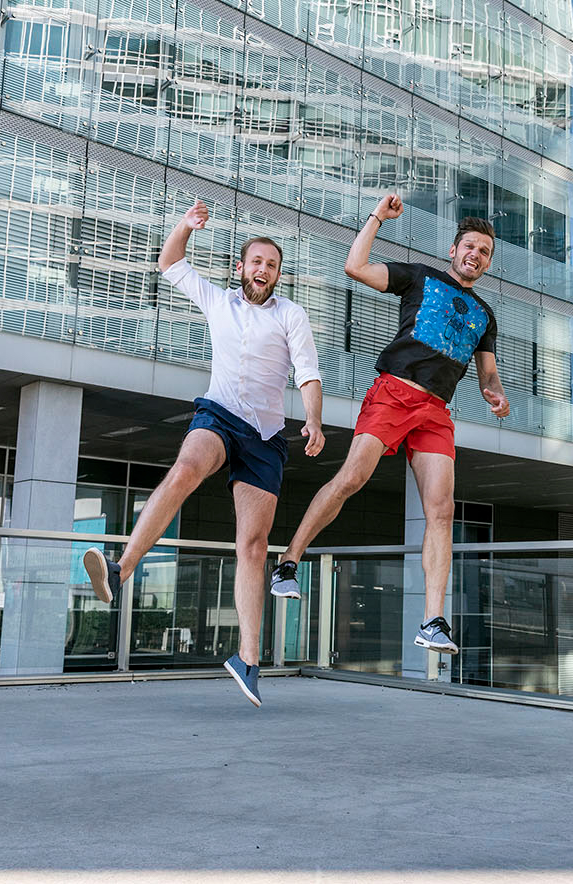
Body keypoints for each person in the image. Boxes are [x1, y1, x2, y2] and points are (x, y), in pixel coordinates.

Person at [81, 199, 324, 707]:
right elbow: (169, 262)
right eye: (256, 261)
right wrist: (185, 226)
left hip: (265, 436)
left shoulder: (291, 315)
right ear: (241, 268)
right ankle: (121, 569)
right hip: (218, 413)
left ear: (278, 275)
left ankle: (249, 661)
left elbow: (307, 372)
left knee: (253, 547)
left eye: (272, 264)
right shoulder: (219, 301)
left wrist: (314, 419)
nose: (263, 270)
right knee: (187, 468)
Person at [269, 196, 509, 658]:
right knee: (351, 479)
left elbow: (488, 373)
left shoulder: (485, 316)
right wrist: (378, 217)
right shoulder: (420, 276)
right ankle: (287, 563)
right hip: (394, 394)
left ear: (487, 263)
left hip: (436, 412)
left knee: (442, 511)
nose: (476, 255)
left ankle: (432, 620)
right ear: (454, 250)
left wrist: (494, 392)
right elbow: (354, 267)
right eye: (470, 247)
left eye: (484, 252)